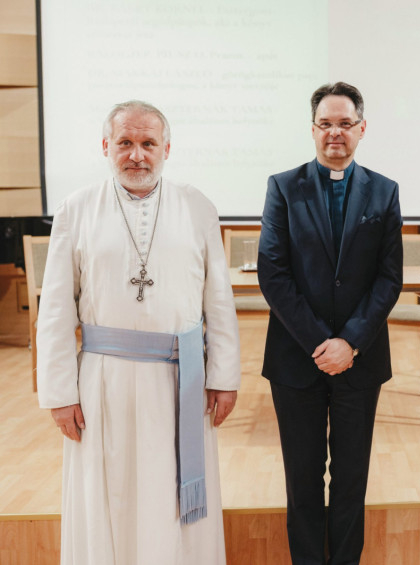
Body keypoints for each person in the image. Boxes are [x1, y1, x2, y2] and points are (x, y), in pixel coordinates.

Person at [37, 100, 241, 564]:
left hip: (180, 382)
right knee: (108, 493)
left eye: (148, 143)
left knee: (171, 497)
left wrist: (223, 376)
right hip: (102, 381)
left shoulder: (197, 206)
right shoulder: (76, 209)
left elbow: (218, 301)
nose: (137, 155)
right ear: (105, 146)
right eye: (125, 143)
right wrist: (60, 393)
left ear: (166, 148)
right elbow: (55, 309)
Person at [258, 82, 402, 565]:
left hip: (360, 361)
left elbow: (389, 277)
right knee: (302, 480)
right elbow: (273, 274)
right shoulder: (284, 187)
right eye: (326, 123)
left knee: (350, 480)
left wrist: (351, 342)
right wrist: (323, 342)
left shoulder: (384, 191)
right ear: (313, 129)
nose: (335, 132)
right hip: (296, 359)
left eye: (345, 123)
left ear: (362, 128)